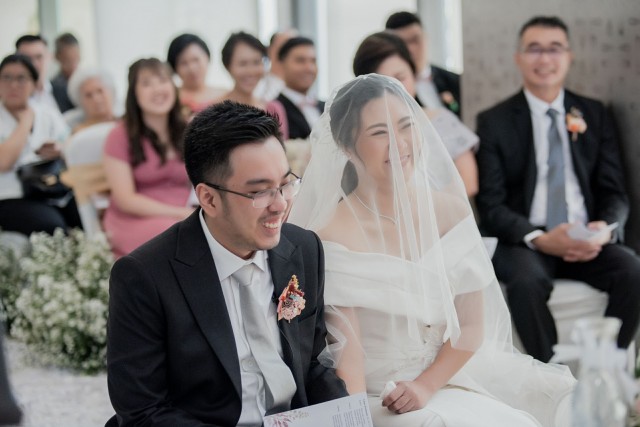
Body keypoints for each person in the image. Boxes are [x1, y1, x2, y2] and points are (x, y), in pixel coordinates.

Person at [288, 74, 575, 427]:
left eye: (406, 126)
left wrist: (426, 385)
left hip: (449, 377)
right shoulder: (331, 233)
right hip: (382, 395)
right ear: (347, 146)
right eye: (379, 133)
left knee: (553, 403)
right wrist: (357, 420)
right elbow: (349, 359)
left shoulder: (451, 212)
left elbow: (471, 326)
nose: (399, 143)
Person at [106, 101, 348, 426]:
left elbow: (313, 364)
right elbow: (143, 412)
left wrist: (345, 417)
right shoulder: (144, 277)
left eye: (285, 184)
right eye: (260, 192)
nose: (280, 204)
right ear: (208, 198)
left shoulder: (303, 249)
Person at [475, 16, 640, 363]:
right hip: (527, 240)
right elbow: (491, 204)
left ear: (569, 56)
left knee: (632, 270)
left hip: (584, 235)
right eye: (534, 49)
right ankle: (552, 377)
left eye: (554, 49)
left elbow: (615, 192)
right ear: (519, 57)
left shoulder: (594, 113)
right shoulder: (494, 121)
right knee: (525, 283)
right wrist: (539, 238)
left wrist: (605, 230)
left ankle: (605, 367)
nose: (545, 59)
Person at [353, 31, 478, 197]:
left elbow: (469, 183)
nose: (395, 90)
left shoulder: (442, 120)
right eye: (384, 84)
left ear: (414, 74)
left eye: (400, 78)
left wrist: (420, 209)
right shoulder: (361, 133)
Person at [102, 58, 191, 258]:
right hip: (135, 219)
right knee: (179, 236)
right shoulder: (119, 136)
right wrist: (180, 214)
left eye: (163, 80)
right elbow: (125, 199)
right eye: (147, 83)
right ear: (134, 93)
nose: (157, 89)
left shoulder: (188, 128)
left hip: (185, 212)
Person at [0, 54, 80, 236]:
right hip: (12, 196)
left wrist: (59, 149)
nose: (14, 85)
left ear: (34, 84)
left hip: (54, 190)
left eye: (21, 78)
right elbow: (4, 162)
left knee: (82, 214)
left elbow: (70, 144)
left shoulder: (47, 114)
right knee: (53, 226)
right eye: (7, 78)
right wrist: (26, 120)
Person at [385, 11, 461, 117]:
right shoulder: (387, 91)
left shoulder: (456, 81)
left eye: (415, 40)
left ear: (426, 38)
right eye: (401, 43)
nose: (410, 49)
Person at [266, 37, 322, 140]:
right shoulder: (274, 110)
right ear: (281, 64)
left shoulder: (327, 107)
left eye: (313, 61)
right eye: (300, 61)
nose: (309, 68)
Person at [167, 33, 225, 117]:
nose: (192, 68)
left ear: (207, 57)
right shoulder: (169, 98)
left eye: (196, 60)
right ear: (174, 67)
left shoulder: (225, 97)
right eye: (183, 63)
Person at [216, 32, 267, 109]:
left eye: (256, 62)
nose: (251, 72)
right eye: (243, 64)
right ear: (228, 66)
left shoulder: (273, 109)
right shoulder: (213, 111)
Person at [15, 34, 61, 113]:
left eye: (39, 57)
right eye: (27, 58)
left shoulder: (64, 92)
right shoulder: (8, 98)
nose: (34, 64)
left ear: (49, 57)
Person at [66, 67, 117, 134]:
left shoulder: (126, 123)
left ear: (111, 91)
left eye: (100, 91)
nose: (96, 99)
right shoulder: (79, 133)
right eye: (88, 95)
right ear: (80, 102)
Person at [254, 29, 298, 102]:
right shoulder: (258, 84)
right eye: (283, 47)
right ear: (269, 50)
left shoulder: (301, 86)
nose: (289, 53)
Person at [51, 32, 80, 113]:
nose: (73, 65)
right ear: (57, 57)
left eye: (75, 58)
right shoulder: (55, 87)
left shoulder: (87, 82)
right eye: (68, 60)